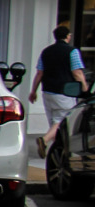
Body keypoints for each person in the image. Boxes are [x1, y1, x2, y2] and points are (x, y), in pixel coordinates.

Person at [29, 24, 87, 157]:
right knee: (63, 122)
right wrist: (84, 87)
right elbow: (77, 72)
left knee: (54, 122)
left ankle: (58, 153)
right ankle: (45, 140)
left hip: (47, 92)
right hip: (64, 93)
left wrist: (33, 91)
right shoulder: (72, 52)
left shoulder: (46, 52)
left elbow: (39, 73)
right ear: (68, 36)